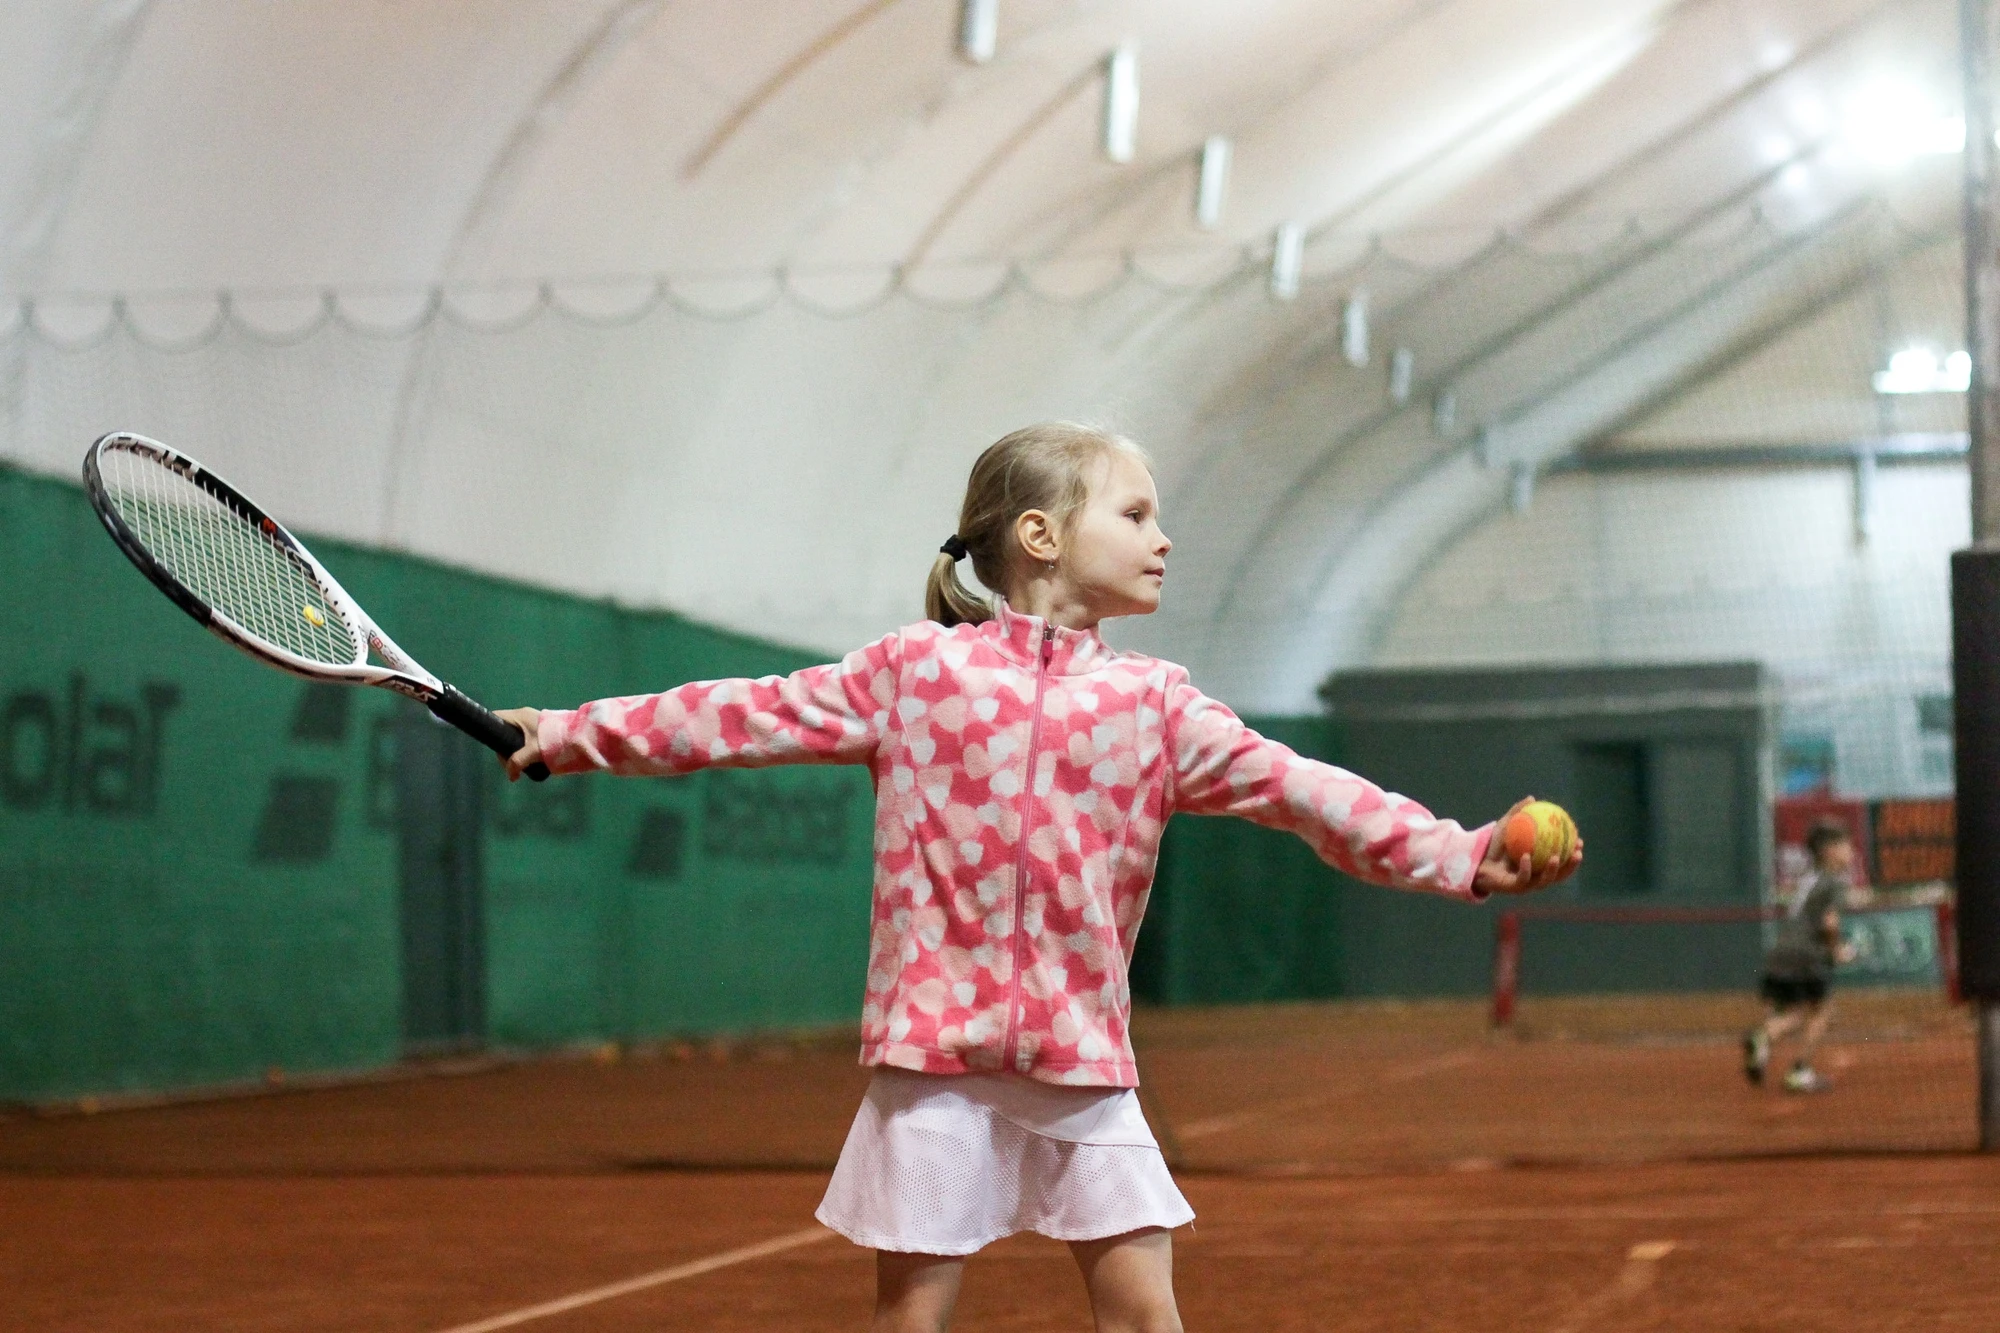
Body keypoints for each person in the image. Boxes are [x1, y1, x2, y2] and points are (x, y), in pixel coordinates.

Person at [494, 422, 1582, 1333]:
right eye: (1136, 514)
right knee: (909, 1321)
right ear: (1039, 535)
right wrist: (567, 732)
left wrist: (1460, 852)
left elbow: (1308, 793)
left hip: (1081, 1064)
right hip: (931, 1062)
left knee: (1144, 1317)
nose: (1163, 538)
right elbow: (735, 716)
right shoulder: (914, 674)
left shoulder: (1157, 706)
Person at [1744, 817, 1860, 1094]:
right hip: (1807, 954)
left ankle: (1764, 1036)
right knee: (1821, 1011)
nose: (1851, 852)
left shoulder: (1808, 878)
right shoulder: (1834, 883)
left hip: (1783, 950)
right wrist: (1837, 949)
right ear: (1829, 850)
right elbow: (1829, 923)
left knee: (1796, 1012)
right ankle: (1799, 1071)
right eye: (1846, 846)